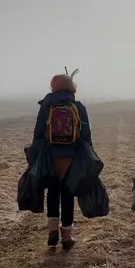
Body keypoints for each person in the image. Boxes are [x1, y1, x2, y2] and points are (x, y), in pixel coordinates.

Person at [32, 69, 92, 250]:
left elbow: (38, 133)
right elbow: (86, 137)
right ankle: (67, 237)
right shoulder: (78, 106)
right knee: (67, 195)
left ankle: (52, 232)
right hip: (71, 157)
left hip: (50, 157)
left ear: (54, 86)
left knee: (52, 192)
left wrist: (37, 156)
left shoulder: (47, 105)